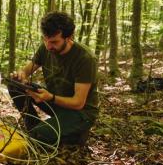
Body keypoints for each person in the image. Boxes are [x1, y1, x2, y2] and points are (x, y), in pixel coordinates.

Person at [8, 11, 99, 145]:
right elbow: (26, 71)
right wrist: (20, 75)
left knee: (37, 136)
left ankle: (75, 134)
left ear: (69, 37)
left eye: (54, 42)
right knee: (14, 85)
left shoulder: (85, 59)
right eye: (45, 40)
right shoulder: (46, 48)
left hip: (81, 113)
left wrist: (50, 97)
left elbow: (78, 103)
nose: (48, 46)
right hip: (55, 101)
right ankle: (34, 126)